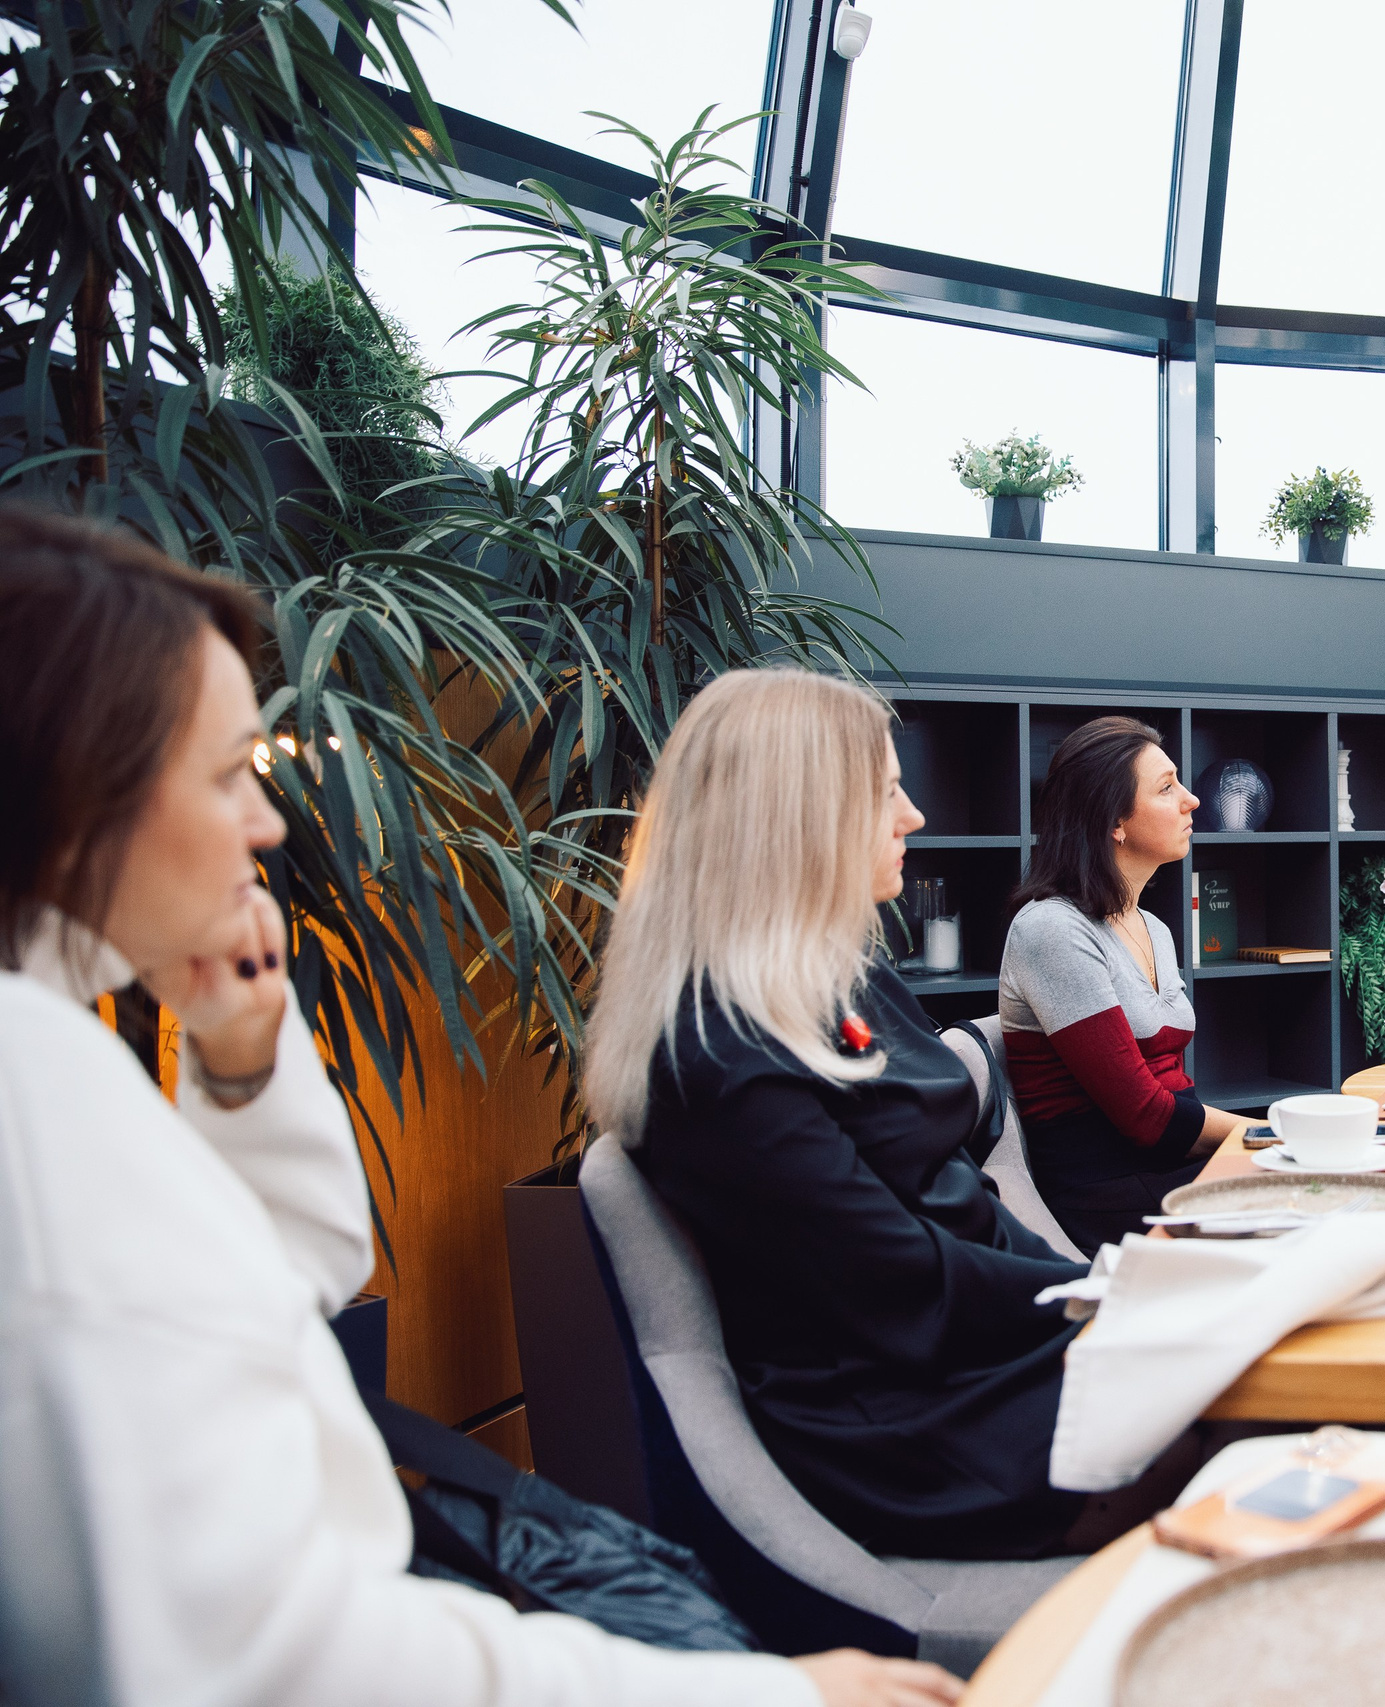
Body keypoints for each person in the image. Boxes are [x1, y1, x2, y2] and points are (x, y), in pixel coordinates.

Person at [0, 509, 953, 1707]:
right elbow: (278, 1662)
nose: (267, 822)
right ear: (76, 784)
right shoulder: (39, 1104)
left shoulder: (51, 1065)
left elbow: (301, 1277)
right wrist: (774, 1698)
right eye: (222, 774)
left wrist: (244, 1059)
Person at [586, 670, 1128, 1565]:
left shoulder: (843, 978)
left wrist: (1102, 1282)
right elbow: (900, 1281)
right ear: (795, 821)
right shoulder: (717, 1056)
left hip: (982, 1361)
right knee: (1291, 1409)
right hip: (927, 1431)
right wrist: (1106, 1305)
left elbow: (965, 1203)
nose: (912, 814)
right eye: (884, 792)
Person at [996, 718, 1246, 1253]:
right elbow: (1146, 1117)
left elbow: (1174, 1091)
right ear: (1113, 821)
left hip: (1168, 1172)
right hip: (1109, 1199)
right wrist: (1271, 1133)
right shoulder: (1052, 930)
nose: (1193, 800)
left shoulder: (1152, 927)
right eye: (1166, 787)